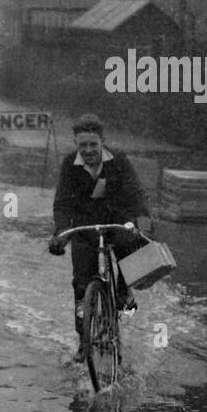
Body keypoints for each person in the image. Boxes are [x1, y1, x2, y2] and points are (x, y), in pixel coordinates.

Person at [48, 113, 152, 361]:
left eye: (92, 144)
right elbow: (62, 204)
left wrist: (143, 222)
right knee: (82, 287)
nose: (87, 150)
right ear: (76, 144)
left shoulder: (118, 160)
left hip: (117, 221)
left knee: (130, 243)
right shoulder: (68, 165)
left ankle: (124, 291)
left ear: (102, 141)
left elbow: (136, 193)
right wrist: (61, 233)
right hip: (85, 228)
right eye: (82, 145)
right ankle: (84, 342)